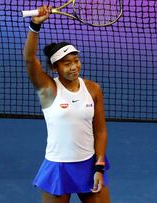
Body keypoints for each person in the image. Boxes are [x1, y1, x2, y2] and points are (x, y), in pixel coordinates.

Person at [23, 6, 111, 203]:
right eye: (66, 63)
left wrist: (99, 166)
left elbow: (100, 131)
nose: (74, 67)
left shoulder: (93, 89)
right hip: (58, 166)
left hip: (89, 165)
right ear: (55, 67)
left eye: (76, 60)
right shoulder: (48, 89)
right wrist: (35, 25)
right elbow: (29, 59)